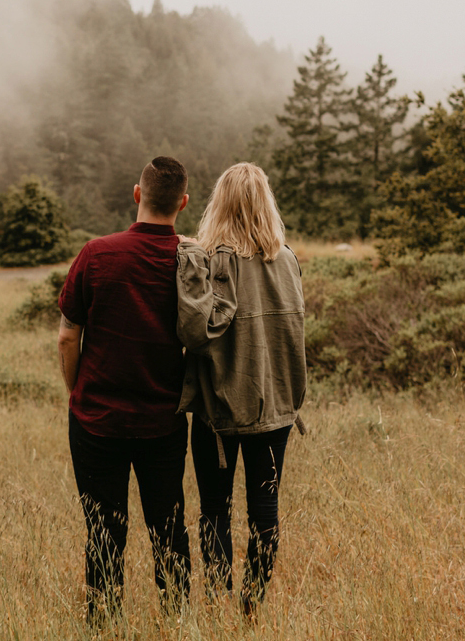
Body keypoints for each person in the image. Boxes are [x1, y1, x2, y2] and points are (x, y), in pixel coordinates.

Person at [57, 156, 193, 617]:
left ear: (137, 194)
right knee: (168, 527)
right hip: (164, 422)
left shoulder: (96, 253)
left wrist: (78, 392)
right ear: (183, 203)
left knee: (103, 532)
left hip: (96, 420)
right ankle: (177, 623)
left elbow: (67, 334)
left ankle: (104, 631)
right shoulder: (190, 259)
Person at [175, 163, 306, 612]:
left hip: (220, 410)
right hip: (277, 409)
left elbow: (195, 332)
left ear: (221, 202)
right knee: (264, 509)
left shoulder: (213, 261)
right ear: (266, 202)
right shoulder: (286, 259)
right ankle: (252, 606)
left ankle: (216, 604)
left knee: (215, 508)